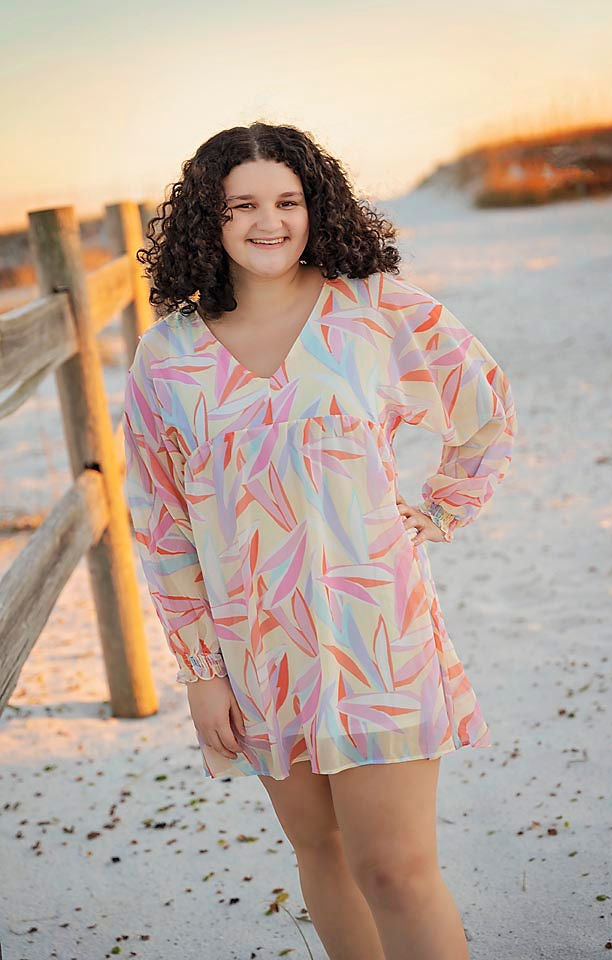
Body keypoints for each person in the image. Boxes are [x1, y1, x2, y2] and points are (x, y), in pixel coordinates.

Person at [122, 120, 518, 960]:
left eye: (287, 201)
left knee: (397, 870)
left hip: (376, 631)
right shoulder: (168, 358)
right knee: (323, 856)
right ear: (208, 220)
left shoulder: (371, 308)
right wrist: (200, 672)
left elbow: (482, 405)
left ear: (314, 208)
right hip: (256, 645)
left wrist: (441, 509)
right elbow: (161, 525)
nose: (268, 222)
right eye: (242, 206)